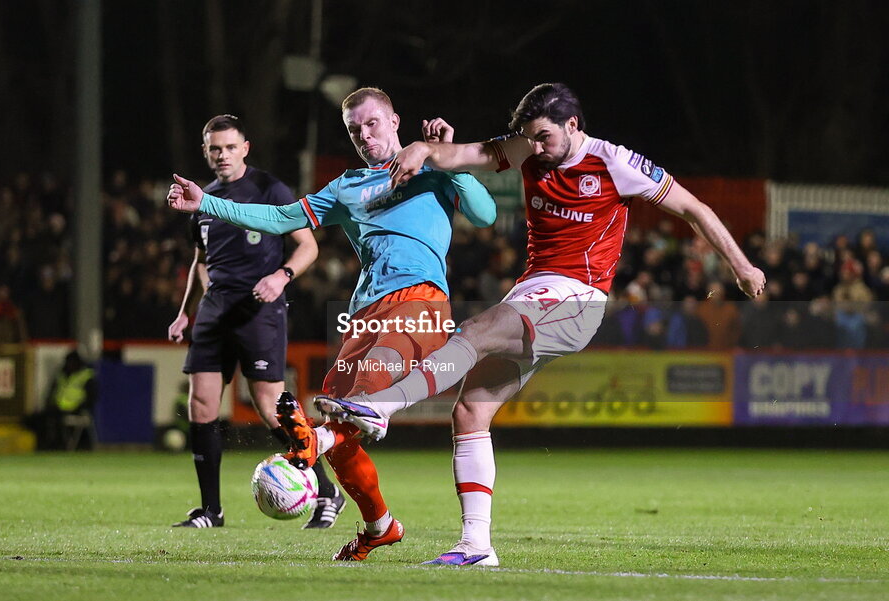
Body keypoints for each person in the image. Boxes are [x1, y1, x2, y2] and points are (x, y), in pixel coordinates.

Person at [315, 82, 767, 566]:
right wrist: (425, 147)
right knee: (470, 411)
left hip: (577, 299)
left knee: (475, 332)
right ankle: (476, 545)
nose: (536, 147)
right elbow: (464, 154)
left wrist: (741, 266)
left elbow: (695, 208)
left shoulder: (616, 163)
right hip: (534, 293)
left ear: (574, 126)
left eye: (545, 137)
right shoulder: (529, 146)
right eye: (529, 138)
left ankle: (380, 407)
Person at [167, 88, 497, 560]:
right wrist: (207, 202)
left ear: (395, 120)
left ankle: (310, 444)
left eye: (372, 123)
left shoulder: (431, 165)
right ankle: (379, 524)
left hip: (420, 300)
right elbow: (282, 219)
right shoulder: (347, 187)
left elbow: (485, 216)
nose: (365, 135)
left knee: (357, 406)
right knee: (342, 431)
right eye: (354, 129)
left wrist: (449, 159)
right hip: (364, 314)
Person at [166, 114, 342, 530]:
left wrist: (282, 276)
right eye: (215, 148)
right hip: (215, 309)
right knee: (201, 403)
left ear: (245, 148)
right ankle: (211, 510)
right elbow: (200, 262)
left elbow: (307, 246)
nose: (222, 155)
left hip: (260, 309)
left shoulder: (269, 189)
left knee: (268, 406)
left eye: (230, 147)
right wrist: (184, 312)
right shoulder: (202, 199)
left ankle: (326, 489)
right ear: (205, 152)